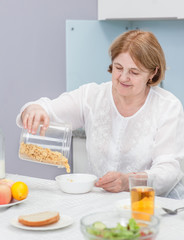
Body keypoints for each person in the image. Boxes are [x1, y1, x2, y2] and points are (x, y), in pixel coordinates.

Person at [16, 30, 184, 199]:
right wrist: (34, 110)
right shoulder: (92, 96)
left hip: (153, 203)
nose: (123, 77)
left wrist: (129, 182)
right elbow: (48, 109)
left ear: (153, 73)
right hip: (101, 201)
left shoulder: (168, 107)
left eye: (134, 72)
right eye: (118, 67)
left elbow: (169, 169)